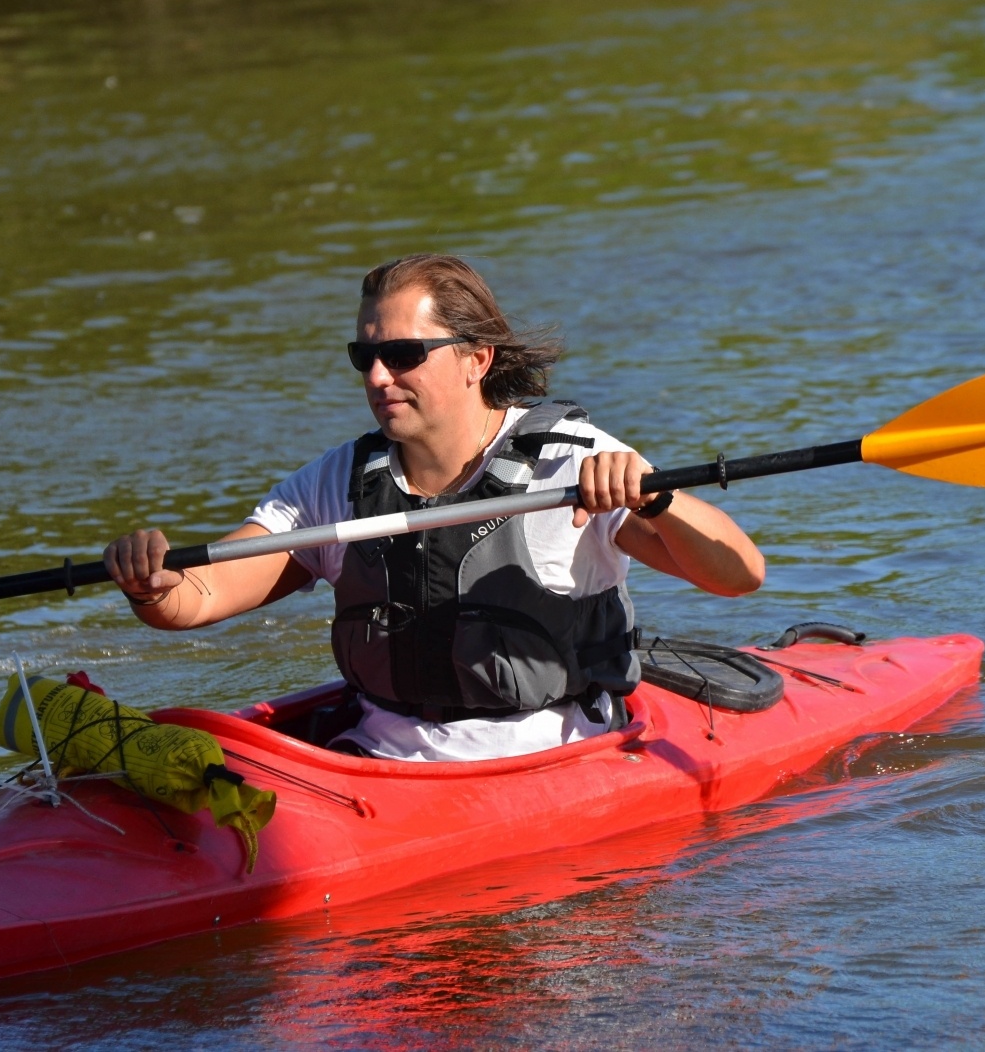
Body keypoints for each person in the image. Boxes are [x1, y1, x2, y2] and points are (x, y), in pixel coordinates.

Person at [106, 254, 764, 761]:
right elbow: (196, 598)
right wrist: (151, 583)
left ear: (477, 359)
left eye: (402, 355)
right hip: (376, 761)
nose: (376, 377)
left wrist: (659, 500)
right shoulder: (337, 482)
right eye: (364, 356)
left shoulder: (571, 461)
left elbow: (738, 575)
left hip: (549, 757)